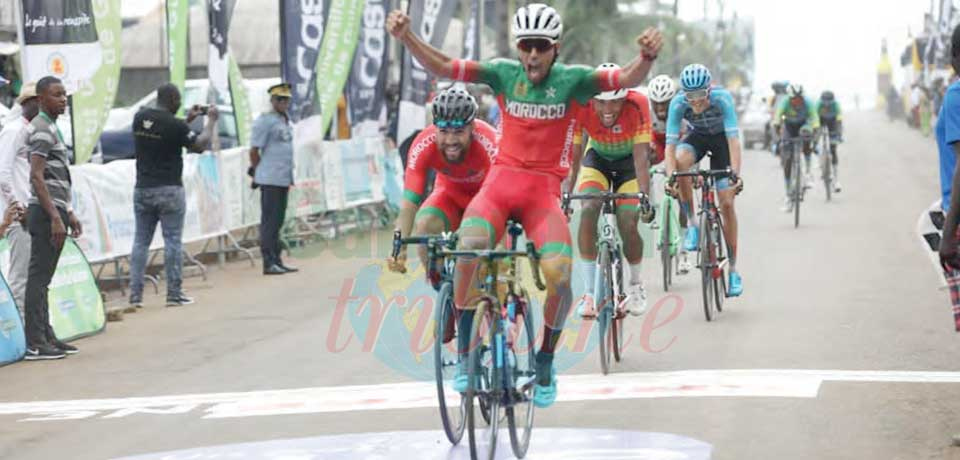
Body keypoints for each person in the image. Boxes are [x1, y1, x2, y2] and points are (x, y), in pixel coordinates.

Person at [387, 2, 663, 408]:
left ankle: (546, 360)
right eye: (526, 45)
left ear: (556, 47)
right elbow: (445, 67)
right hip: (499, 187)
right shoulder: (502, 73)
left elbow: (623, 78)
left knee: (560, 275)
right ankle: (465, 355)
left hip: (542, 196)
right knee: (469, 247)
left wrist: (646, 57)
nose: (532, 54)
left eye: (541, 45)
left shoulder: (574, 81)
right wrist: (407, 36)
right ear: (518, 48)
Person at [567, 63, 654, 319]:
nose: (608, 110)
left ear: (624, 98)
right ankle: (590, 293)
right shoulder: (581, 106)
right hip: (598, 161)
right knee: (588, 209)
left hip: (629, 166)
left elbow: (641, 159)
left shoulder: (638, 105)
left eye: (615, 102)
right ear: (592, 100)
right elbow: (574, 158)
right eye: (601, 103)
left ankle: (636, 285)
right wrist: (565, 196)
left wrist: (645, 197)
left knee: (628, 220)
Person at [387, 87, 497, 276]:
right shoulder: (423, 144)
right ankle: (444, 290)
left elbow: (502, 197)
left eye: (459, 131)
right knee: (424, 225)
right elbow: (409, 203)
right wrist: (399, 249)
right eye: (444, 131)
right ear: (435, 127)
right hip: (449, 196)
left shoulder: (489, 141)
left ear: (473, 128)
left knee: (481, 249)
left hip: (488, 199)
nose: (450, 140)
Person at [128, 83, 218, 308]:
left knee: (140, 242)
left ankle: (135, 296)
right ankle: (174, 293)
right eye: (178, 101)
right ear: (173, 100)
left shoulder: (140, 118)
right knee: (172, 241)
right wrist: (211, 122)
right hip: (169, 189)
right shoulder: (175, 125)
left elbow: (162, 133)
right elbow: (198, 145)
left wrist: (186, 121)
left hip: (143, 189)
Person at [664, 64, 744, 297]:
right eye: (690, 96)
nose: (695, 102)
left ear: (709, 91)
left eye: (700, 95)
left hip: (722, 142)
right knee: (680, 163)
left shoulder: (723, 99)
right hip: (697, 138)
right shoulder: (678, 103)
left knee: (727, 204)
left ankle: (734, 270)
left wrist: (735, 175)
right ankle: (692, 224)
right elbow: (670, 148)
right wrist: (671, 177)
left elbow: (733, 142)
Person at [22, 76, 81, 360]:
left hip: (54, 210)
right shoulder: (43, 129)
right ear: (41, 98)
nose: (63, 99)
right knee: (38, 277)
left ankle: (46, 333)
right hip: (45, 214)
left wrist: (68, 211)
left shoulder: (50, 128)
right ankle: (35, 340)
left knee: (44, 278)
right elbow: (36, 176)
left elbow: (55, 176)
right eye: (57, 95)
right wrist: (56, 217)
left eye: (64, 94)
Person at [0, 82, 39, 316]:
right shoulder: (14, 130)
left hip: (31, 211)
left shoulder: (32, 130)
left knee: (33, 277)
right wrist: (17, 205)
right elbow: (2, 172)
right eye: (38, 100)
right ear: (27, 103)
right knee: (20, 277)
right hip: (19, 215)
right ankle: (23, 336)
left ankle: (35, 333)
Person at [250, 83, 298, 276]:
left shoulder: (284, 120)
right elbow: (254, 150)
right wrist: (256, 171)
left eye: (286, 99)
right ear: (272, 100)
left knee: (278, 220)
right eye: (280, 99)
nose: (284, 103)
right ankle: (268, 261)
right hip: (269, 178)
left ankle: (277, 259)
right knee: (269, 222)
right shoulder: (265, 121)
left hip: (283, 177)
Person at [647, 74, 691, 273]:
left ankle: (683, 252)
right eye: (657, 105)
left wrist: (691, 172)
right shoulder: (647, 114)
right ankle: (649, 206)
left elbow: (691, 145)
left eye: (665, 104)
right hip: (658, 143)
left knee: (683, 195)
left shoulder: (683, 112)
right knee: (643, 157)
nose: (661, 109)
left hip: (679, 144)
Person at [773, 83, 819, 211]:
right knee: (787, 161)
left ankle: (808, 172)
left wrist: (814, 137)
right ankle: (788, 195)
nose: (798, 101)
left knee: (806, 141)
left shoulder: (808, 103)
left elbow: (815, 120)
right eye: (794, 99)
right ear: (790, 98)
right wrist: (778, 139)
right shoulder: (784, 103)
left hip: (804, 126)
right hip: (789, 128)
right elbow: (777, 120)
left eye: (800, 98)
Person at [816, 90, 843, 192]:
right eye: (824, 102)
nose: (827, 104)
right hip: (820, 121)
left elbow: (839, 121)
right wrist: (814, 136)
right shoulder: (818, 105)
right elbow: (814, 119)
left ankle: (836, 179)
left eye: (829, 102)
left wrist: (839, 135)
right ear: (821, 101)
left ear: (832, 101)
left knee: (833, 149)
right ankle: (821, 162)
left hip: (832, 123)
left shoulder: (836, 106)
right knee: (815, 142)